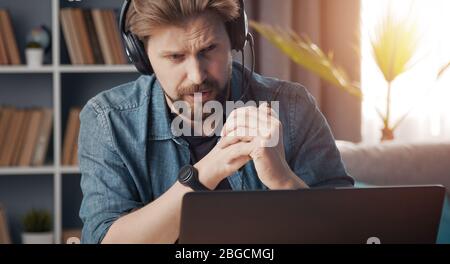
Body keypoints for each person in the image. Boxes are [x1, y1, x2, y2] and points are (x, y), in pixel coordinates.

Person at [78, 0, 354, 244]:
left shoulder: (294, 107)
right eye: (176, 57)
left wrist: (283, 181)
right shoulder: (108, 119)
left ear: (235, 39)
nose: (197, 76)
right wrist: (207, 171)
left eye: (209, 49)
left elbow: (349, 233)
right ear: (141, 56)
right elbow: (105, 239)